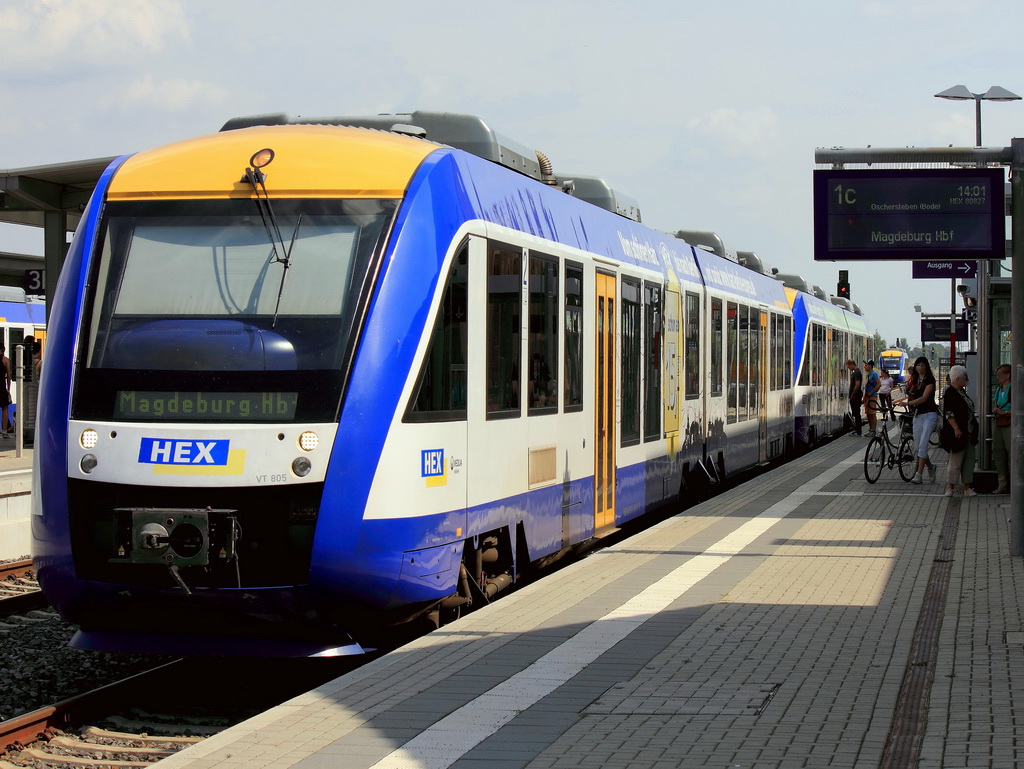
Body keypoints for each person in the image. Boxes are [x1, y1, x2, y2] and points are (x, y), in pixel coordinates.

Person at [941, 365, 978, 496]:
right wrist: (956, 428)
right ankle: (950, 486)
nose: (967, 380)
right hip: (958, 433)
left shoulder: (962, 392)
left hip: (969, 431)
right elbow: (949, 413)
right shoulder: (950, 393)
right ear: (957, 379)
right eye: (965, 378)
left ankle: (967, 486)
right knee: (955, 460)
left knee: (969, 460)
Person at [905, 356, 938, 484]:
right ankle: (931, 467)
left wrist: (908, 404)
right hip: (918, 415)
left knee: (923, 445)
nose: (920, 367)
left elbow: (924, 398)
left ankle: (918, 474)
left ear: (927, 367)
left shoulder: (930, 380)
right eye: (918, 365)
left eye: (923, 365)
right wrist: (908, 392)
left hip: (929, 414)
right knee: (918, 447)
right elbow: (912, 393)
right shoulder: (914, 380)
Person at [992, 363, 1011, 494]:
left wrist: (1006, 412)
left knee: (1011, 452)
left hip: (1009, 422)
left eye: (1000, 375)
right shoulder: (999, 389)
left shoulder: (1014, 388)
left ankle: (1013, 483)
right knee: (998, 451)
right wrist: (996, 410)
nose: (997, 377)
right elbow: (995, 402)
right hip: (999, 421)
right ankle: (1002, 483)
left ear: (1007, 375)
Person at [862, 360, 880, 434]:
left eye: (866, 365)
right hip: (868, 396)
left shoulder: (874, 374)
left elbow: (879, 384)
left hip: (872, 396)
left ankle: (873, 430)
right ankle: (870, 429)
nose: (864, 366)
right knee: (868, 414)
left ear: (870, 365)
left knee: (872, 414)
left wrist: (871, 392)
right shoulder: (869, 374)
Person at [846, 359, 863, 436]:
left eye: (848, 366)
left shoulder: (857, 373)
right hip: (855, 396)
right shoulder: (856, 372)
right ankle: (857, 429)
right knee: (856, 413)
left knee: (856, 413)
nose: (849, 368)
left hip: (856, 396)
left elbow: (857, 384)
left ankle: (858, 430)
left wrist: (853, 394)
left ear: (851, 364)